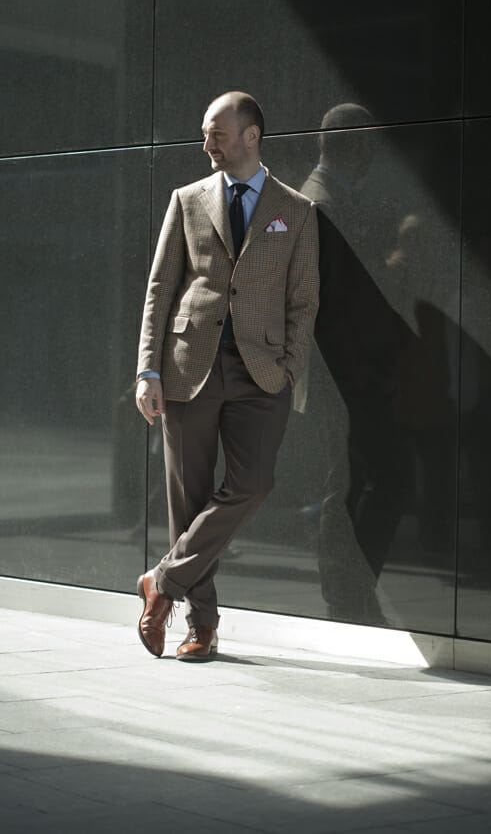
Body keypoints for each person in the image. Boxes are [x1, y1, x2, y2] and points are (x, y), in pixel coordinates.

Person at [135, 91, 319, 660]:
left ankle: (162, 581)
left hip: (262, 373)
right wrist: (147, 369)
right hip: (188, 366)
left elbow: (304, 300)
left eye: (216, 132)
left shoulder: (296, 209)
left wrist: (289, 368)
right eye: (204, 132)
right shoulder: (186, 199)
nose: (206, 143)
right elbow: (161, 288)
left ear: (251, 135)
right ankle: (202, 626)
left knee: (253, 484)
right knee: (188, 499)